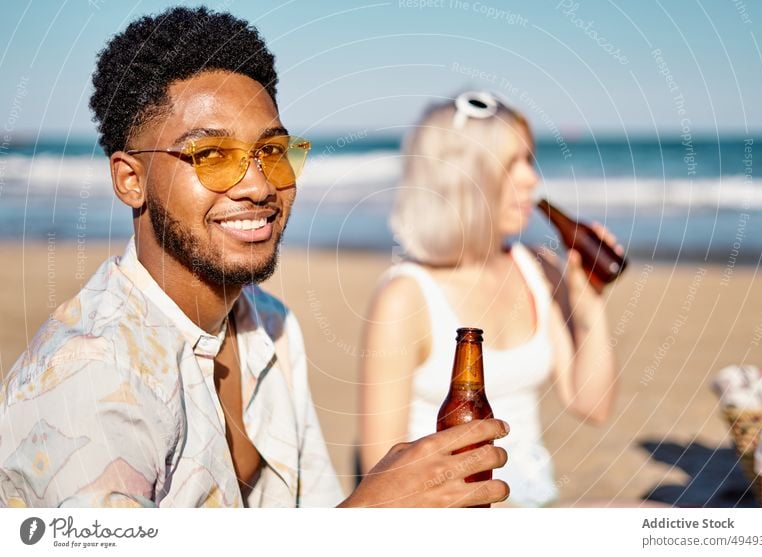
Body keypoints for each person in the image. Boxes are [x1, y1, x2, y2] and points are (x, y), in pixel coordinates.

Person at [0, 7, 510, 508]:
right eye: (211, 155)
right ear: (131, 180)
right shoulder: (87, 377)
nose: (259, 185)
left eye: (271, 151)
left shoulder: (269, 324)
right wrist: (369, 517)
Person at [358, 91, 620, 507]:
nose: (532, 179)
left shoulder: (536, 266)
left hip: (535, 502)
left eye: (529, 161)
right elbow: (382, 472)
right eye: (511, 164)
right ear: (460, 176)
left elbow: (592, 404)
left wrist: (589, 303)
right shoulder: (406, 296)